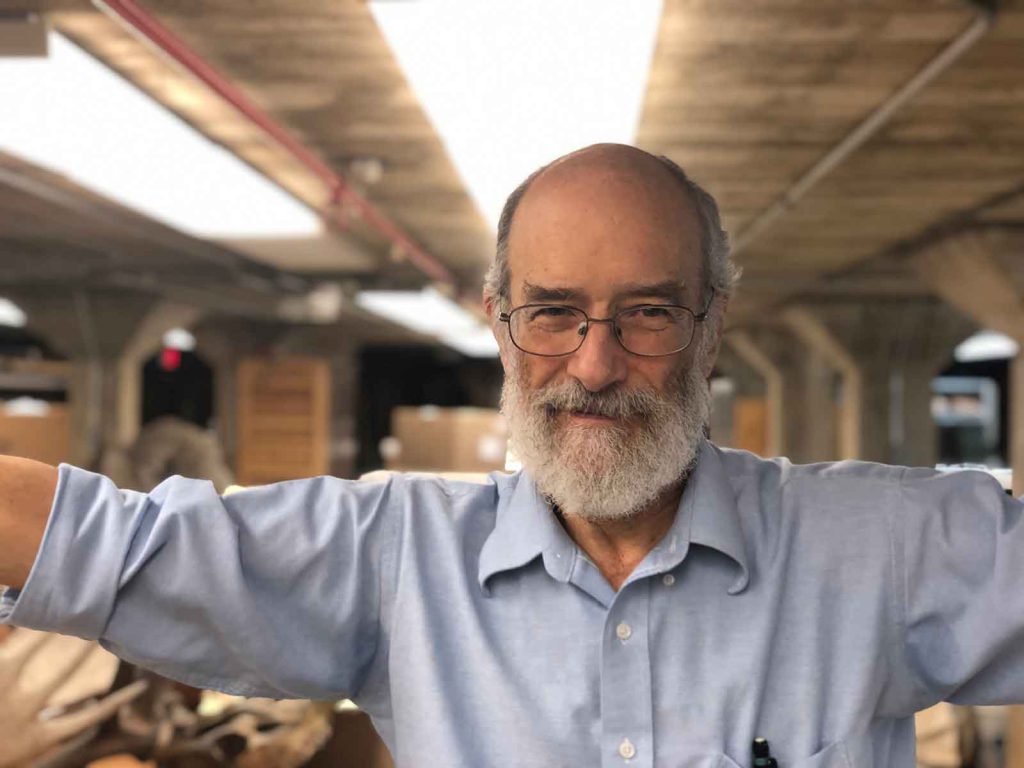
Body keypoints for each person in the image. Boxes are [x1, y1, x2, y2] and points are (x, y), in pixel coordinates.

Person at [1, 144, 1022, 768]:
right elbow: (111, 546)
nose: (595, 363)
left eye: (647, 313)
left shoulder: (877, 550)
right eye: (553, 313)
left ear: (711, 328)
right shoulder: (395, 558)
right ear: (499, 322)